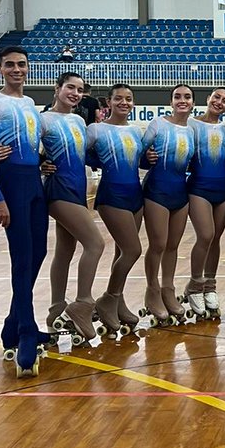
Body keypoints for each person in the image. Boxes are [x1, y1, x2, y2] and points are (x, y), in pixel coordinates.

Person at [0, 46, 48, 376]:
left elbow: (31, 144)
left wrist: (44, 163)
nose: (17, 69)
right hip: (12, 187)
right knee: (21, 257)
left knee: (39, 251)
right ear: (0, 69)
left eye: (21, 64)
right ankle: (27, 334)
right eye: (10, 65)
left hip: (34, 183)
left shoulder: (30, 104)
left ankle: (12, 323)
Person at [39, 72, 105, 343]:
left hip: (78, 190)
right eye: (70, 87)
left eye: (80, 90)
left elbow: (85, 152)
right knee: (96, 244)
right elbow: (28, 149)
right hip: (59, 190)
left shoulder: (79, 120)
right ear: (57, 89)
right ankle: (82, 304)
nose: (76, 93)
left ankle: (56, 309)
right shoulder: (43, 120)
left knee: (65, 251)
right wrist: (39, 164)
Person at [87, 83, 144, 335]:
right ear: (108, 102)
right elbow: (80, 153)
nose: (124, 102)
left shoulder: (136, 131)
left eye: (128, 98)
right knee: (133, 250)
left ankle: (118, 302)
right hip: (112, 196)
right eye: (118, 98)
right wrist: (46, 164)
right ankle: (108, 299)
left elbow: (140, 159)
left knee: (121, 252)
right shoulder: (96, 129)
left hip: (135, 195)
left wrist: (149, 159)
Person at [140, 84, 197, 325]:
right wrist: (146, 158)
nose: (182, 100)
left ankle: (168, 289)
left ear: (193, 102)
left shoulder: (192, 130)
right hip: (156, 191)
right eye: (177, 97)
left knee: (173, 245)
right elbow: (139, 155)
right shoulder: (158, 124)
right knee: (158, 244)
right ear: (171, 101)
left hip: (179, 193)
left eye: (187, 97)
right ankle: (152, 289)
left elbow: (192, 162)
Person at [183, 88, 225, 319]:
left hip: (223, 189)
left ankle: (210, 285)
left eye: (224, 101)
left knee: (215, 239)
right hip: (198, 189)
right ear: (208, 99)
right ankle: (194, 285)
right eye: (216, 97)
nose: (219, 102)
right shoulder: (191, 125)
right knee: (205, 235)